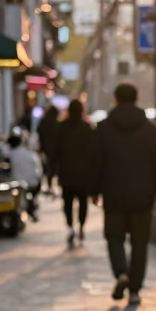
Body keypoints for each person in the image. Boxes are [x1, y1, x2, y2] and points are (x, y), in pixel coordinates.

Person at [89, 82, 156, 306]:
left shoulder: (103, 128)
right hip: (143, 196)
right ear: (136, 99)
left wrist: (94, 191)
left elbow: (95, 163)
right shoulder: (150, 129)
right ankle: (134, 289)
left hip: (113, 195)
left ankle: (121, 272)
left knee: (114, 237)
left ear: (115, 99)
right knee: (139, 242)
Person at [54, 98, 95, 247]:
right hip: (84, 174)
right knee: (83, 202)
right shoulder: (87, 128)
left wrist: (53, 171)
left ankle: (71, 227)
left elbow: (56, 152)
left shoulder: (62, 127)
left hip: (67, 172)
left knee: (68, 202)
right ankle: (82, 227)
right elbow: (93, 152)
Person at [4, 128, 43, 221]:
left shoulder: (9, 155)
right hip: (34, 183)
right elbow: (39, 171)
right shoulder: (31, 153)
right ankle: (31, 209)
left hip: (18, 184)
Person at [37, 105, 60, 196]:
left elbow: (39, 131)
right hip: (54, 149)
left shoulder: (43, 122)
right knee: (52, 167)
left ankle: (48, 184)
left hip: (45, 148)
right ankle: (51, 184)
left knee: (47, 167)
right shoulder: (56, 123)